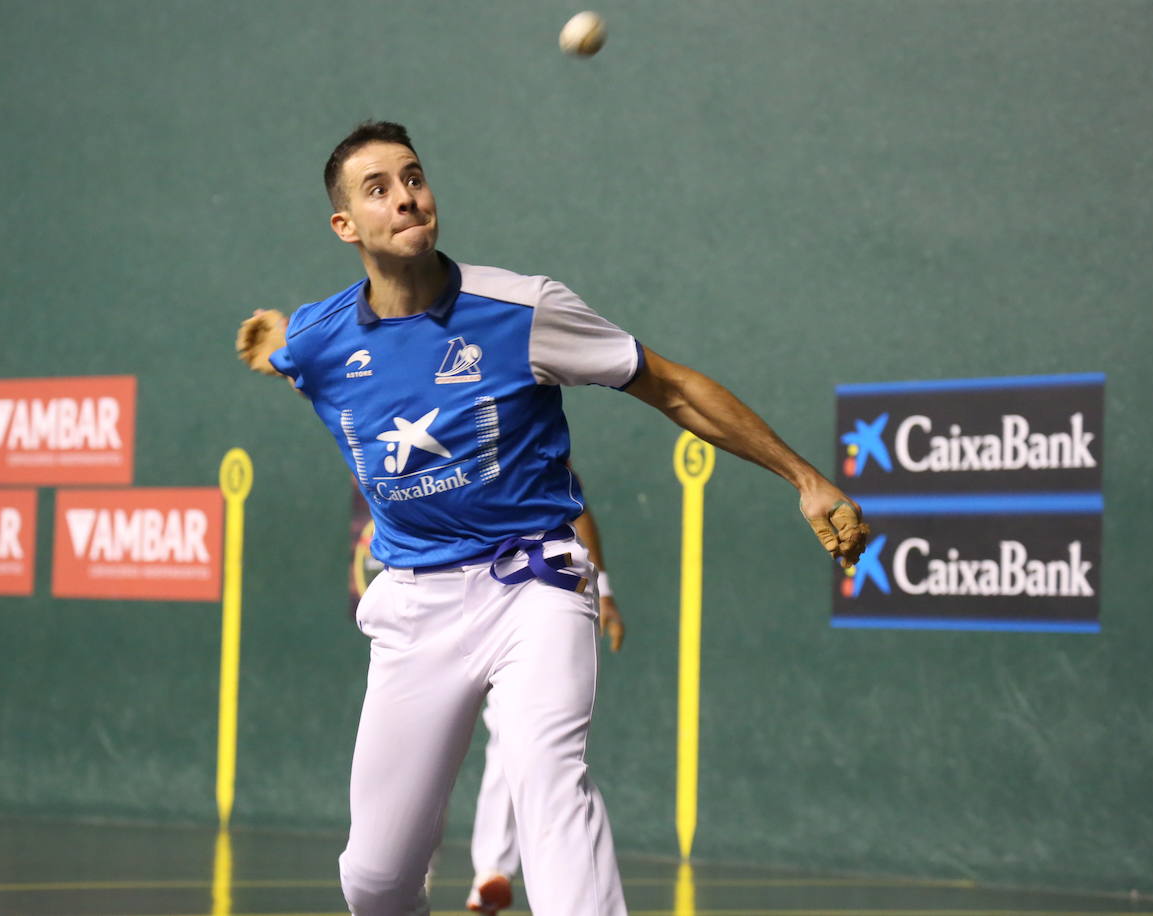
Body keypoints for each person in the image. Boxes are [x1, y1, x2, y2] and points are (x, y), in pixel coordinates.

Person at [236, 120, 868, 916]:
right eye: (378, 189)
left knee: (544, 777)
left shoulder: (522, 309)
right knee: (374, 876)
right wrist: (282, 343)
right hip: (412, 607)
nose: (406, 197)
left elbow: (669, 385)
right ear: (346, 227)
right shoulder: (323, 337)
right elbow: (310, 358)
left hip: (531, 585)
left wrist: (804, 477)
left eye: (414, 177)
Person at [465, 503, 624, 916]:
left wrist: (603, 591)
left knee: (520, 738)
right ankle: (475, 869)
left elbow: (580, 508)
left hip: (533, 594)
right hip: (452, 596)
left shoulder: (535, 453)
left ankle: (493, 870)